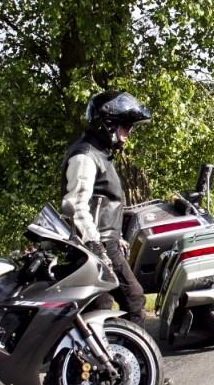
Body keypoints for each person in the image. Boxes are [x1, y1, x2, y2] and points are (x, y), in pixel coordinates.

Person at [61, 90, 152, 324]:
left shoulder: (99, 155)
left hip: (102, 243)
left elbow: (101, 203)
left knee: (100, 306)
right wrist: (97, 245)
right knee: (133, 299)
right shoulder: (85, 156)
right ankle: (134, 356)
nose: (128, 134)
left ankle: (103, 357)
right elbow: (76, 205)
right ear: (108, 124)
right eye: (125, 126)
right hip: (96, 245)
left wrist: (117, 236)